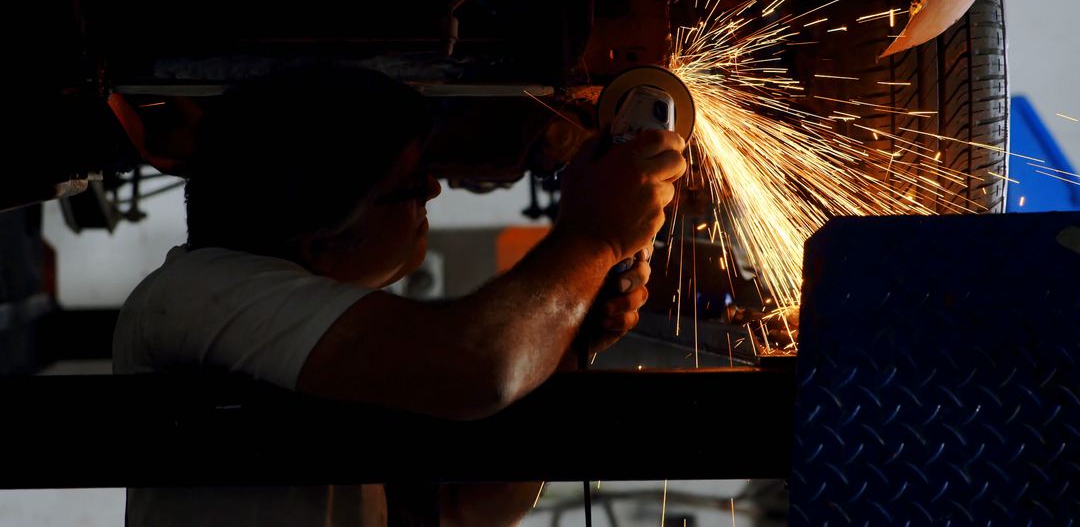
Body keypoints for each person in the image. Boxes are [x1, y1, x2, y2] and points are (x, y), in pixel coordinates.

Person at [113, 67, 687, 526]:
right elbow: (482, 367)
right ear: (326, 237)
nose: (433, 189)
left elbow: (467, 509)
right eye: (410, 185)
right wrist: (593, 237)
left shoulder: (327, 351)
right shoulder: (197, 292)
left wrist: (567, 341)